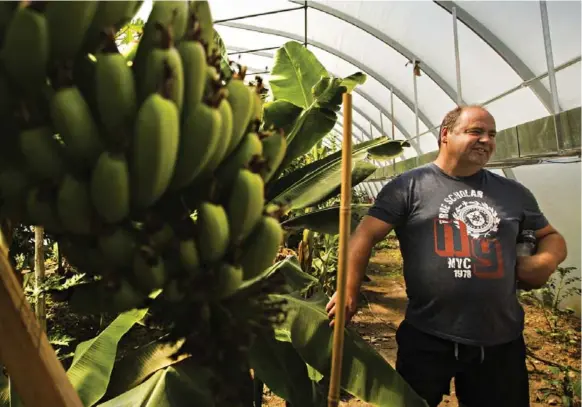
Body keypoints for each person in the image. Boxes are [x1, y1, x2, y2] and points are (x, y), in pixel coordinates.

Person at [325, 105, 567, 407]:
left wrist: (542, 262)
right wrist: (349, 289)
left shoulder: (513, 192)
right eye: (475, 131)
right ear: (445, 135)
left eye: (491, 134)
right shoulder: (410, 186)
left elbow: (551, 237)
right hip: (428, 336)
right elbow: (364, 235)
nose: (486, 140)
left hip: (499, 341)